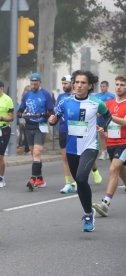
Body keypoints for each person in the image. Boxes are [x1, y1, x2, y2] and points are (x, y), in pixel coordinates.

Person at [49, 70, 111, 232]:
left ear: (89, 86)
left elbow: (107, 116)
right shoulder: (65, 102)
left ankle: (89, 216)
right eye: (76, 82)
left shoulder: (97, 103)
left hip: (90, 146)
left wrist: (103, 128)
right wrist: (52, 120)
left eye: (83, 83)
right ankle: (88, 211)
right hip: (71, 148)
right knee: (80, 181)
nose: (79, 85)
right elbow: (55, 117)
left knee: (82, 178)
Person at [92, 75, 126, 216]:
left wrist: (109, 116)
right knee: (121, 171)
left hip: (124, 143)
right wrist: (102, 130)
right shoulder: (110, 103)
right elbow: (106, 123)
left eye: (122, 85)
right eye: (117, 84)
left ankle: (105, 204)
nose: (118, 87)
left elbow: (124, 122)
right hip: (111, 143)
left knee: (113, 169)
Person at [17, 73, 54, 191]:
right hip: (29, 127)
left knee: (37, 152)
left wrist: (43, 114)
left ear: (40, 83)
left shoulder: (45, 94)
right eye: (32, 83)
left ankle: (32, 179)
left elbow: (51, 111)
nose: (33, 85)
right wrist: (22, 115)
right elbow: (20, 111)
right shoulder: (27, 95)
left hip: (40, 126)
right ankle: (40, 179)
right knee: (34, 155)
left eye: (36, 83)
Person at [56, 75, 78, 194]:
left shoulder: (77, 96)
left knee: (77, 157)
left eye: (66, 83)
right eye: (62, 83)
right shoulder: (60, 97)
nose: (64, 85)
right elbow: (57, 112)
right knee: (65, 157)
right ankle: (68, 183)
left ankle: (79, 181)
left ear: (72, 83)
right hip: (63, 130)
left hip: (76, 130)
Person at [95, 81, 115, 160]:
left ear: (107, 87)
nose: (102, 88)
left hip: (107, 119)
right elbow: (95, 106)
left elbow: (113, 107)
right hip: (99, 120)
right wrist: (97, 112)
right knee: (101, 135)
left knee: (108, 136)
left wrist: (104, 112)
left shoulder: (111, 96)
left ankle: (110, 151)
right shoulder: (97, 96)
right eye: (101, 86)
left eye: (104, 86)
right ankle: (103, 152)